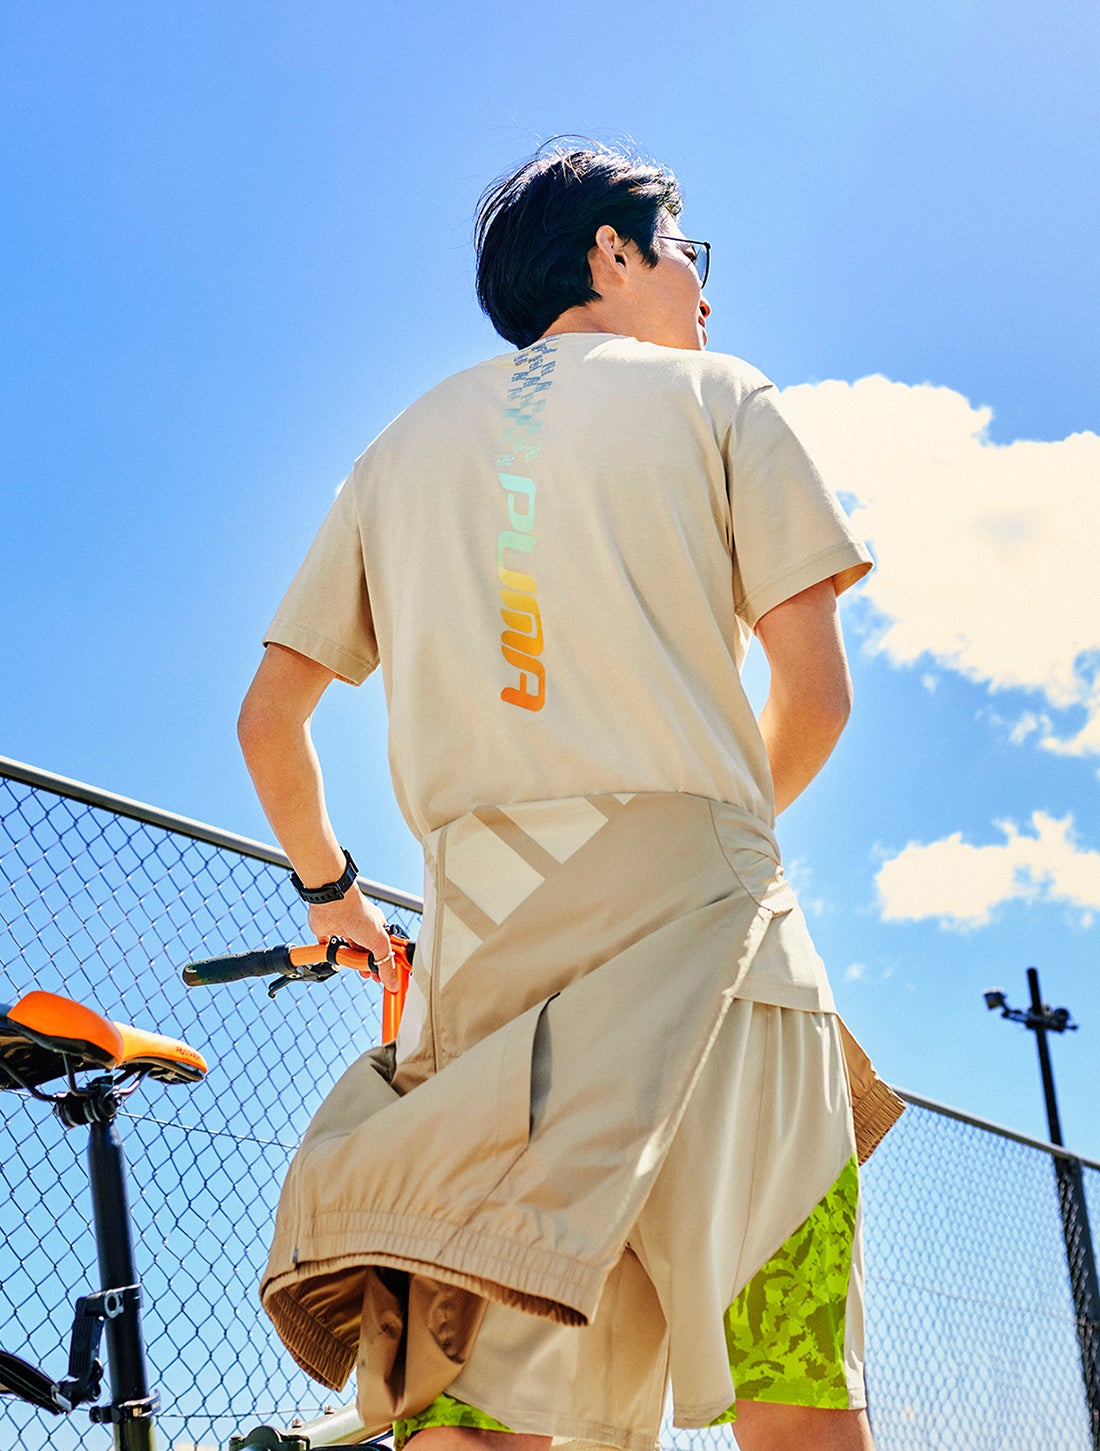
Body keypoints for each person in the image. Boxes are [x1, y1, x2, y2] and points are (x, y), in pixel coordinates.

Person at [237, 143, 901, 1451]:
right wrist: (708, 843)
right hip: (725, 969)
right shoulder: (722, 397)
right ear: (613, 250)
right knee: (796, 1392)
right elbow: (817, 697)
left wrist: (331, 892)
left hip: (487, 988)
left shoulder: (393, 453)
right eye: (686, 253)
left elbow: (271, 721)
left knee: (475, 1413)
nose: (703, 291)